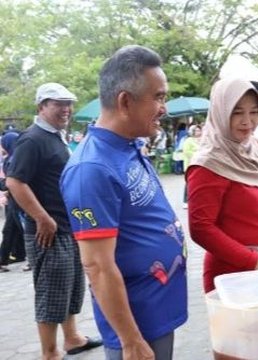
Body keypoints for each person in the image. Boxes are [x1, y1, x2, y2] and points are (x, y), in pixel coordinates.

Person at [60, 45, 187, 360]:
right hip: (136, 323)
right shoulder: (90, 169)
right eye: (158, 97)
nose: (164, 108)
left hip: (156, 310)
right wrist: (130, 340)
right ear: (125, 101)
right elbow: (97, 266)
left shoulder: (126, 145)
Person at [6, 83, 102, 360]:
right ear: (41, 107)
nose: (66, 109)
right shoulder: (32, 139)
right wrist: (42, 218)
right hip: (47, 230)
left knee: (71, 286)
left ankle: (72, 338)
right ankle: (50, 353)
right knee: (51, 291)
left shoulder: (55, 136)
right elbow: (15, 181)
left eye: (68, 103)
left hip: (67, 225)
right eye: (58, 103)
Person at [187, 78, 258, 293]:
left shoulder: (256, 152)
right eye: (237, 112)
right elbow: (201, 228)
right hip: (234, 275)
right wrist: (256, 262)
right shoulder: (208, 162)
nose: (247, 121)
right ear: (221, 113)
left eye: (254, 112)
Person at [0, 132, 26, 272]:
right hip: (14, 201)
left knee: (21, 229)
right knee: (10, 230)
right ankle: (13, 256)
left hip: (17, 202)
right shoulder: (12, 157)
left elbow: (11, 182)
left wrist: (2, 184)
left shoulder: (14, 159)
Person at [182, 124, 202, 209]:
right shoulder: (188, 140)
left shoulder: (203, 140)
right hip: (191, 164)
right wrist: (197, 154)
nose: (199, 132)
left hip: (201, 165)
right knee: (189, 183)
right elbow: (186, 151)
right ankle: (185, 201)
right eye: (196, 130)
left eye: (199, 130)